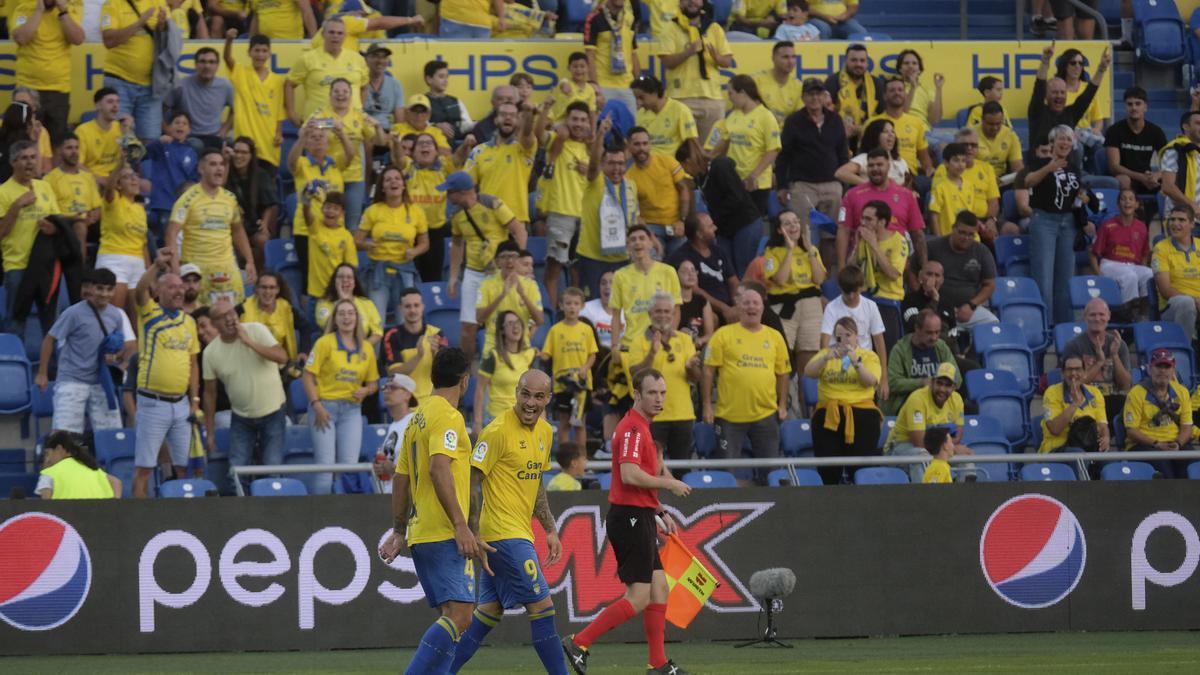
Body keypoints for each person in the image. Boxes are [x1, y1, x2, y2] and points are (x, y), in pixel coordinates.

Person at [562, 368, 692, 675]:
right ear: (637, 394)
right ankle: (578, 642)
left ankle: (657, 663)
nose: (658, 398)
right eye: (652, 393)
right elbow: (628, 474)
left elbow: (634, 483)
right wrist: (669, 484)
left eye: (662, 393)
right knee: (639, 596)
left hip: (639, 515)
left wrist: (658, 510)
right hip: (630, 518)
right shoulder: (633, 428)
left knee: (660, 589)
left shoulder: (642, 427)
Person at [449, 370, 566, 674]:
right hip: (502, 535)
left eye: (538, 396)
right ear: (516, 392)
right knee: (542, 608)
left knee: (488, 613)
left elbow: (536, 482)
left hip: (518, 532)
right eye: (525, 394)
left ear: (548, 399)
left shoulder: (546, 432)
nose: (530, 402)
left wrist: (550, 527)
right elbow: (472, 481)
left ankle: (441, 671)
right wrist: (472, 532)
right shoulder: (497, 430)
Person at [378, 348, 487, 674]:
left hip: (421, 531)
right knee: (462, 616)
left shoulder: (418, 418)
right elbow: (440, 469)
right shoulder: (448, 417)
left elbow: (401, 478)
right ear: (464, 382)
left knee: (449, 617)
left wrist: (399, 530)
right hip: (443, 532)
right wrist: (460, 525)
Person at [131, 250, 201, 498]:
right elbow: (139, 290)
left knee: (184, 466)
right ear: (159, 292)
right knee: (145, 468)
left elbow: (194, 365)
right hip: (153, 403)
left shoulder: (189, 322)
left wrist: (194, 401)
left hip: (181, 405)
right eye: (172, 287)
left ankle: (183, 518)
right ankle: (137, 519)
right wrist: (157, 266)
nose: (179, 291)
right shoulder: (149, 314)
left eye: (181, 287)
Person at [702, 285, 790, 477]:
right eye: (747, 302)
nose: (752, 307)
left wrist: (782, 405)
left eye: (756, 303)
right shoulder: (722, 335)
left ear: (762, 308)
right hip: (729, 417)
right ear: (739, 307)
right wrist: (707, 405)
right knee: (726, 472)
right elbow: (708, 372)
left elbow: (783, 373)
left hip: (765, 415)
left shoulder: (775, 337)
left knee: (771, 473)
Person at [34, 267, 134, 433]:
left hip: (101, 383)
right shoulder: (73, 313)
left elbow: (116, 346)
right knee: (64, 437)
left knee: (112, 434)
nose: (104, 294)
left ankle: (105, 459)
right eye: (100, 288)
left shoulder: (116, 315)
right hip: (71, 380)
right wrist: (42, 373)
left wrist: (114, 356)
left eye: (109, 289)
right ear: (91, 288)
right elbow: (50, 339)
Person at [202, 299, 288, 492]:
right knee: (237, 473)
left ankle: (271, 515)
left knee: (272, 471)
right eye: (223, 317)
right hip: (242, 418)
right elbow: (209, 394)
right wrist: (210, 434)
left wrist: (249, 342)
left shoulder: (256, 330)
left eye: (232, 313)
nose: (231, 319)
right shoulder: (210, 353)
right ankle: (242, 516)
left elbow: (282, 356)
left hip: (273, 412)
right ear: (214, 323)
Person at [443, 170, 526, 362]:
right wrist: (453, 277)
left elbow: (519, 230)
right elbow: (457, 244)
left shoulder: (492, 204)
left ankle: (506, 364)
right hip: (473, 272)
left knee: (501, 323)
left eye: (450, 192)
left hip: (498, 271)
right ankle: (466, 371)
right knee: (468, 328)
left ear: (462, 192)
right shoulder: (456, 214)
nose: (447, 196)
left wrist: (518, 264)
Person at [303, 297, 379, 494]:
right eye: (342, 313)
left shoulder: (367, 348)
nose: (347, 317)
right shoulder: (324, 343)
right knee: (325, 467)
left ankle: (344, 517)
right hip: (324, 408)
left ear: (357, 318)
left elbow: (374, 382)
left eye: (351, 313)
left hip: (352, 410)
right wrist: (316, 405)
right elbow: (307, 375)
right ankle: (318, 516)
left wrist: (367, 390)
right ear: (334, 319)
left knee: (349, 468)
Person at [166, 149, 256, 307]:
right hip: (198, 271)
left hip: (227, 268)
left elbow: (238, 230)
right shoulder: (188, 199)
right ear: (201, 169)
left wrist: (249, 260)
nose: (219, 168)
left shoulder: (230, 198)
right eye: (213, 164)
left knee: (234, 315)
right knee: (202, 320)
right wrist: (175, 267)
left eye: (222, 164)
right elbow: (171, 233)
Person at [776, 77, 847, 268]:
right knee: (800, 234)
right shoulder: (793, 121)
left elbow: (842, 153)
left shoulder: (835, 120)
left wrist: (844, 185)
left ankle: (824, 278)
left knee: (830, 235)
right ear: (803, 97)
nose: (815, 98)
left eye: (818, 93)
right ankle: (804, 273)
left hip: (832, 184)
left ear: (825, 96)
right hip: (803, 185)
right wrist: (782, 186)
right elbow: (784, 155)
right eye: (810, 94)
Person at [804, 315, 881, 485]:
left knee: (861, 469)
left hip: (861, 413)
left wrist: (856, 363)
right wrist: (825, 358)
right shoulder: (827, 354)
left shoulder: (868, 356)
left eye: (848, 335)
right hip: (829, 413)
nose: (844, 340)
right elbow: (808, 372)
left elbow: (871, 381)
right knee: (828, 469)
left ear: (857, 337)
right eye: (840, 336)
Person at [627, 292, 700, 462]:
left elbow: (695, 378)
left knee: (682, 468)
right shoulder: (637, 342)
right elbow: (635, 376)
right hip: (650, 417)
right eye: (658, 311)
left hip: (683, 415)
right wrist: (652, 353)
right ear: (650, 314)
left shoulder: (685, 340)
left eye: (667, 312)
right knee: (648, 466)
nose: (663, 315)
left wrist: (691, 368)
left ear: (673, 315)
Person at [0, 140, 62, 333]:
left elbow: (58, 222)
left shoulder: (45, 187)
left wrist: (52, 228)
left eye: (33, 157)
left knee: (50, 323)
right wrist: (17, 206)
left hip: (45, 264)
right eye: (24, 158)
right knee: (16, 321)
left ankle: (49, 364)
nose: (30, 162)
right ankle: (12, 362)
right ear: (13, 163)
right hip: (17, 265)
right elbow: (1, 232)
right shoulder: (3, 192)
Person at [1026, 124, 1085, 324]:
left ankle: (1065, 329)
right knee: (1043, 280)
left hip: (1068, 222)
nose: (1065, 143)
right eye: (1061, 138)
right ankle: (1044, 328)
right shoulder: (1038, 161)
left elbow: (1076, 195)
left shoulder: (1074, 167)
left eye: (1069, 139)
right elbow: (1028, 182)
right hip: (1044, 221)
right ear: (1052, 142)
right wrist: (1048, 168)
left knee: (1065, 280)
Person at [575, 118, 640, 299]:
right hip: (593, 258)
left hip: (623, 258)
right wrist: (601, 135)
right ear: (604, 165)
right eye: (611, 163)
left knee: (622, 306)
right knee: (593, 305)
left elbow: (634, 218)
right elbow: (594, 164)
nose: (617, 168)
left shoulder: (631, 186)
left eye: (621, 163)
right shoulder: (595, 181)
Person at [356, 166, 429, 322]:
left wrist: (415, 251)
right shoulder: (372, 211)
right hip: (378, 270)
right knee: (377, 322)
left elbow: (425, 243)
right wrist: (366, 244)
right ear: (382, 187)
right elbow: (357, 240)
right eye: (388, 180)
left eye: (397, 178)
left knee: (406, 321)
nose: (393, 182)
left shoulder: (416, 211)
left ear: (403, 185)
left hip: (405, 269)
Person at [837, 147, 926, 271]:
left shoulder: (906, 195)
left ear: (888, 165)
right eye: (871, 165)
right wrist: (842, 267)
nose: (875, 169)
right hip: (862, 262)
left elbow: (917, 234)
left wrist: (924, 267)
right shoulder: (852, 195)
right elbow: (843, 230)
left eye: (879, 164)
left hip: (897, 263)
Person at [656, 0, 733, 144]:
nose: (692, 2)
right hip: (681, 98)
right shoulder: (670, 28)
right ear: (680, 3)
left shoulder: (714, 28)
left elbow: (727, 61)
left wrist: (717, 58)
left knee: (711, 151)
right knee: (681, 152)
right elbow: (667, 62)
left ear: (702, 3)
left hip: (712, 99)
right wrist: (689, 52)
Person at [540, 101, 593, 310]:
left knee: (579, 270)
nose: (578, 124)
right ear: (566, 120)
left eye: (583, 120)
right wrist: (545, 110)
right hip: (561, 213)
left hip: (587, 217)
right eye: (574, 119)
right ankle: (553, 316)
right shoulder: (556, 140)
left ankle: (577, 317)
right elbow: (538, 133)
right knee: (554, 268)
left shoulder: (591, 147)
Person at [9, 0, 85, 145]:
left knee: (57, 143)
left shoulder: (68, 10)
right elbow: (21, 38)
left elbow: (78, 39)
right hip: (27, 90)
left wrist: (63, 12)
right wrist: (38, 12)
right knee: (24, 139)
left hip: (58, 89)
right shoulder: (25, 7)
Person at [706, 74, 781, 217]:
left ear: (743, 93)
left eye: (731, 93)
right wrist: (709, 157)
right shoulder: (734, 115)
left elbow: (773, 150)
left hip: (756, 184)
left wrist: (754, 175)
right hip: (735, 180)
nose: (729, 97)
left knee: (752, 224)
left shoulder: (766, 116)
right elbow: (725, 141)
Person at [311, 77, 379, 229]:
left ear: (351, 94)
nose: (340, 94)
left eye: (345, 91)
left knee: (352, 224)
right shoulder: (321, 113)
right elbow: (308, 127)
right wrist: (329, 123)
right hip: (328, 176)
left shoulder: (360, 115)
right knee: (328, 223)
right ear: (330, 94)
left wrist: (378, 126)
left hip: (354, 176)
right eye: (336, 91)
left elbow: (377, 139)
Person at [763, 209, 824, 374]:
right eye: (787, 223)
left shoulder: (811, 250)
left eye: (796, 221)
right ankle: (784, 398)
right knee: (781, 355)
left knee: (810, 359)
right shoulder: (771, 253)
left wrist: (810, 248)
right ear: (778, 229)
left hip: (811, 306)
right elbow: (781, 280)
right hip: (784, 308)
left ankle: (806, 400)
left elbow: (819, 279)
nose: (793, 226)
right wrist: (790, 250)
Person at [883, 362, 964, 483]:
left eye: (947, 385)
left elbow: (958, 434)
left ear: (954, 387)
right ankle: (924, 499)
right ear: (932, 382)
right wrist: (948, 449)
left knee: (966, 458)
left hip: (936, 448)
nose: (942, 389)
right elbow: (918, 441)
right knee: (921, 457)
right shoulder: (917, 399)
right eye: (939, 383)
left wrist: (951, 449)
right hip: (899, 448)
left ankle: (965, 499)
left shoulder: (956, 400)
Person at [99, 0, 167, 141]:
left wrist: (162, 28)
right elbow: (109, 41)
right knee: (118, 138)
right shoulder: (112, 4)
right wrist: (139, 23)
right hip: (119, 82)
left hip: (151, 85)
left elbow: (169, 39)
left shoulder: (158, 2)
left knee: (150, 141)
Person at [463, 100, 537, 228]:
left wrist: (529, 114)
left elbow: (527, 133)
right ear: (496, 120)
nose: (508, 117)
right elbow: (467, 185)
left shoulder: (523, 148)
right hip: (487, 221)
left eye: (513, 115)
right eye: (503, 114)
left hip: (516, 221)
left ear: (518, 121)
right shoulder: (479, 151)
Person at [540, 287, 599, 442]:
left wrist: (585, 369)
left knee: (580, 423)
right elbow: (546, 354)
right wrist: (537, 353)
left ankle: (581, 460)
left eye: (575, 303)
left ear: (582, 306)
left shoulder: (586, 329)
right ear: (561, 306)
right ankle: (564, 459)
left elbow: (592, 355)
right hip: (562, 384)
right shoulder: (555, 330)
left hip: (581, 385)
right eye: (568, 303)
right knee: (564, 423)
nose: (572, 307)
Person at [1123, 348, 1193, 479]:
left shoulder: (1182, 392)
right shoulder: (1136, 393)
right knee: (1164, 466)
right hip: (1145, 445)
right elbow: (1131, 431)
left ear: (1173, 370)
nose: (1162, 370)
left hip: (1174, 443)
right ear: (1150, 369)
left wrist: (1178, 443)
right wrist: (1157, 444)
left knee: (1191, 463)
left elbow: (1187, 427)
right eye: (1158, 366)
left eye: (1167, 367)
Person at [925, 211, 1000, 332]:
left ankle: (969, 351)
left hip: (969, 309)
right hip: (936, 307)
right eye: (962, 232)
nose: (966, 238)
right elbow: (913, 271)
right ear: (953, 228)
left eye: (971, 234)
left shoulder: (982, 251)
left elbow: (989, 285)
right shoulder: (934, 247)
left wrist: (971, 305)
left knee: (993, 326)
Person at [820, 265, 888, 399]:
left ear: (862, 287)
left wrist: (884, 377)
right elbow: (824, 342)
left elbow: (879, 343)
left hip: (865, 361)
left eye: (855, 292)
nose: (851, 297)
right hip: (839, 362)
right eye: (847, 293)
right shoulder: (831, 308)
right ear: (840, 289)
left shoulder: (870, 306)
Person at [285, 17, 369, 125]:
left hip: (352, 126)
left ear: (345, 36)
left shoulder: (358, 59)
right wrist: (291, 114)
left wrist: (359, 111)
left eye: (340, 33)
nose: (335, 36)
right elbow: (289, 84)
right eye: (331, 32)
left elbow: (364, 87)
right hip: (318, 126)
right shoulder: (307, 59)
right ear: (323, 34)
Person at [1027, 43, 1110, 152]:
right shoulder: (1038, 112)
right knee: (1078, 149)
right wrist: (1045, 61)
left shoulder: (1070, 114)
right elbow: (1038, 88)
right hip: (1042, 166)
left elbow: (1089, 94)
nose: (1059, 96)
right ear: (1046, 96)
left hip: (1067, 167)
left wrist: (1101, 69)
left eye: (1062, 93)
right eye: (1055, 92)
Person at [96, 157, 150, 317]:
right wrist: (121, 161)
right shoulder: (113, 202)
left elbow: (143, 244)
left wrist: (149, 274)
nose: (133, 179)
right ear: (119, 185)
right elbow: (109, 187)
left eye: (135, 176)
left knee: (138, 319)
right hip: (114, 260)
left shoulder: (140, 209)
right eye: (127, 177)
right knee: (112, 316)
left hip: (138, 264)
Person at [626, 127, 690, 258]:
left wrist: (682, 221)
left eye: (645, 143)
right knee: (652, 262)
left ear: (650, 145)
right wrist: (645, 229)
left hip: (676, 223)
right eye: (637, 144)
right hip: (651, 227)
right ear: (629, 147)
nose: (641, 148)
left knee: (680, 264)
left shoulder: (667, 161)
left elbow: (684, 189)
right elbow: (632, 208)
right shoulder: (628, 177)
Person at [853, 200, 908, 350]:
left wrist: (874, 246)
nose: (863, 223)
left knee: (886, 352)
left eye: (869, 219)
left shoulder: (898, 241)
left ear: (882, 222)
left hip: (887, 302)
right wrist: (858, 245)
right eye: (862, 218)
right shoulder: (864, 239)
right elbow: (850, 270)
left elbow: (892, 274)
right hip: (863, 300)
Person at [883, 308, 958, 416]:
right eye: (929, 333)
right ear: (917, 328)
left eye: (937, 332)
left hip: (938, 400)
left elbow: (957, 379)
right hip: (908, 402)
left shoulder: (941, 347)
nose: (934, 337)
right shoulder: (900, 349)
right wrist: (921, 383)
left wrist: (939, 385)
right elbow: (892, 383)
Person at [668, 212, 738, 324]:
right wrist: (725, 309)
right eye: (710, 226)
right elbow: (695, 290)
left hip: (729, 306)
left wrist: (736, 306)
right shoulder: (682, 257)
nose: (715, 228)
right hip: (701, 307)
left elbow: (733, 281)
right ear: (699, 234)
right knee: (712, 318)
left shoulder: (719, 251)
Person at [475, 310, 540, 431]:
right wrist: (477, 422)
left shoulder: (529, 355)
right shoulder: (493, 356)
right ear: (502, 330)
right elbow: (480, 389)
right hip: (497, 419)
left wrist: (541, 419)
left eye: (518, 323)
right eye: (510, 323)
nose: (515, 327)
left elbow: (537, 391)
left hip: (522, 418)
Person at [1091, 189, 1151, 312]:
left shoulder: (1142, 227)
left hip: (1132, 265)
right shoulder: (1107, 225)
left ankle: (1144, 312)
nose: (1127, 202)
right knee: (1130, 277)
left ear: (1136, 204)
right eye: (1123, 199)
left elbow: (1145, 253)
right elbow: (1093, 253)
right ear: (1118, 204)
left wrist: (1142, 268)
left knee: (1148, 274)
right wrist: (1099, 275)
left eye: (1131, 199)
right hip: (1110, 264)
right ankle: (1126, 314)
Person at [143, 112, 198, 248]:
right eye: (177, 122)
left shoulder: (192, 153)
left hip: (181, 205)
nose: (180, 126)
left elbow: (194, 180)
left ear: (189, 130)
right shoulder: (161, 146)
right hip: (162, 203)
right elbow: (141, 154)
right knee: (166, 236)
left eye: (184, 123)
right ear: (169, 127)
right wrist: (157, 142)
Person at [45, 133, 102, 261]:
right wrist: (75, 218)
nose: (74, 152)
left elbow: (97, 207)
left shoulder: (87, 177)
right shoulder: (50, 179)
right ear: (59, 151)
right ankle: (80, 273)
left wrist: (93, 217)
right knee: (79, 226)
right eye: (69, 148)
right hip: (65, 223)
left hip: (89, 223)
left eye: (76, 148)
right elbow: (50, 212)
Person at [225, 137, 279, 272]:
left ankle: (259, 275)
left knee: (263, 241)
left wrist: (265, 224)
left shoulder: (261, 175)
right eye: (236, 152)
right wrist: (225, 161)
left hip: (253, 224)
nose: (239, 156)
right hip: (231, 226)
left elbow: (270, 204)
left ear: (251, 155)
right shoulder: (226, 173)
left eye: (243, 153)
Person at [163, 47, 234, 150]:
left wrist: (224, 130)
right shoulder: (181, 85)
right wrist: (169, 131)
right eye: (202, 62)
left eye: (212, 62)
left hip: (214, 137)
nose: (207, 66)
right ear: (195, 65)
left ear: (217, 66)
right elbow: (162, 108)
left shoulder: (225, 86)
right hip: (188, 138)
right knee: (196, 145)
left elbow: (235, 110)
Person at [865, 78, 933, 182]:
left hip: (911, 177)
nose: (897, 93)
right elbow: (865, 153)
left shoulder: (916, 123)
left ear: (905, 95)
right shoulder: (872, 123)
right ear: (884, 96)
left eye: (900, 90)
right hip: (882, 176)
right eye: (892, 90)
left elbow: (924, 156)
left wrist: (930, 172)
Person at [1040, 355, 1109, 455]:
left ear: (1085, 373)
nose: (1073, 373)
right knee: (1078, 455)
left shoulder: (1095, 393)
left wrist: (1106, 437)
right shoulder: (1051, 393)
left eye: (1078, 369)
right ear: (1063, 373)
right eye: (1069, 370)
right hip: (1057, 449)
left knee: (1110, 460)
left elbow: (1102, 425)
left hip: (1088, 446)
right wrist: (1075, 404)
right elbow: (1054, 429)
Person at [407, 134, 453, 283]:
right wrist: (395, 142)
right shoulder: (408, 167)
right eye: (420, 144)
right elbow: (396, 156)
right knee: (409, 278)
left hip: (435, 232)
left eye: (429, 143)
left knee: (432, 278)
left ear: (436, 151)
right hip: (410, 232)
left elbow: (459, 159)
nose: (425, 146)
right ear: (413, 152)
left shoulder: (444, 168)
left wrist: (465, 145)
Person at [382, 288, 442, 402]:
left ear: (423, 307)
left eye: (416, 305)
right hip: (406, 404)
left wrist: (436, 354)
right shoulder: (392, 335)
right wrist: (419, 356)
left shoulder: (436, 333)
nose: (413, 310)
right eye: (408, 306)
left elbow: (445, 373)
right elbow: (394, 374)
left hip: (432, 401)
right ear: (400, 309)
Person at [583, 0, 641, 118]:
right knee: (604, 131)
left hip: (627, 86)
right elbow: (590, 55)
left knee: (631, 132)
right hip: (604, 86)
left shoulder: (629, 18)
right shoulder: (594, 18)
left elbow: (633, 53)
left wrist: (639, 87)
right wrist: (595, 87)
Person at [1104, 87, 1167, 194]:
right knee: (1124, 180)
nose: (1134, 108)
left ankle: (1169, 210)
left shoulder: (1156, 131)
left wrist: (1157, 175)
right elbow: (1114, 167)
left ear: (1145, 107)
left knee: (1170, 179)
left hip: (1147, 177)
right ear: (1125, 107)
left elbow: (1169, 162)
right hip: (1125, 176)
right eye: (1130, 104)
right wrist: (1141, 177)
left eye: (1138, 104)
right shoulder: (1114, 130)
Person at [1152, 203, 1200, 342]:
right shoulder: (1161, 249)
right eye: (1172, 219)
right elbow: (1165, 290)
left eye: (1181, 220)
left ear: (1192, 224)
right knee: (1186, 303)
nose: (1175, 223)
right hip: (1173, 306)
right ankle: (1183, 351)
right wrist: (1195, 300)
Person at [824, 43, 882, 146]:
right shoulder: (832, 82)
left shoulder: (876, 84)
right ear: (846, 61)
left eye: (862, 61)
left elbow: (882, 114)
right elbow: (825, 114)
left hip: (870, 138)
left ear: (867, 63)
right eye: (854, 60)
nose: (858, 64)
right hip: (840, 137)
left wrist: (863, 129)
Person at [36, 431, 121, 499]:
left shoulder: (49, 473)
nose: (47, 460)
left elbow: (46, 508)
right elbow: (116, 482)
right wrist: (114, 505)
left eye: (48, 454)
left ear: (59, 448)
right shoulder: (92, 468)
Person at [314, 262, 383, 346]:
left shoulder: (366, 303)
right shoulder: (324, 303)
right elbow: (327, 327)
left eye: (349, 277)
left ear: (355, 282)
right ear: (334, 281)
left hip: (361, 349)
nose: (345, 280)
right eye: (340, 277)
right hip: (332, 350)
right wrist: (343, 301)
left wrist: (363, 349)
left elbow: (377, 332)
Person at [371, 373, 419, 493]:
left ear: (407, 394)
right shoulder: (393, 425)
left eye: (392, 387)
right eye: (384, 388)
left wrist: (393, 469)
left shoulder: (414, 423)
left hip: (407, 496)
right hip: (390, 494)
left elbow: (420, 465)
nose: (386, 391)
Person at [632, 74, 699, 156]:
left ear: (655, 93)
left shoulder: (680, 110)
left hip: (671, 165)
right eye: (636, 98)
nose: (638, 103)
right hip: (646, 164)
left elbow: (692, 142)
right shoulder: (640, 114)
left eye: (641, 98)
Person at [239, 271, 297, 361]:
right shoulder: (243, 307)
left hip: (278, 362)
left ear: (277, 290)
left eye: (272, 287)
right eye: (263, 287)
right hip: (250, 360)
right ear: (256, 289)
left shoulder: (286, 308)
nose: (267, 291)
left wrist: (304, 352)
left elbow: (305, 327)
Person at [834, 118, 910, 187]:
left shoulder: (901, 161)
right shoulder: (865, 158)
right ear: (875, 135)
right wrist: (870, 185)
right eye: (885, 132)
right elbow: (841, 173)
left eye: (893, 132)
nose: (891, 135)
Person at [75, 88, 123, 181]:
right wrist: (97, 179)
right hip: (91, 178)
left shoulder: (121, 128)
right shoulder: (83, 131)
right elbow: (77, 164)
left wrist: (128, 131)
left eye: (117, 102)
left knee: (146, 185)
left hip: (116, 177)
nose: (115, 105)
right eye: (110, 102)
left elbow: (131, 158)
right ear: (98, 106)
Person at [1056, 48, 1105, 139]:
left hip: (1087, 131)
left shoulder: (1088, 89)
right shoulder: (1058, 89)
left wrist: (1096, 130)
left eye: (1081, 63)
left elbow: (1098, 119)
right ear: (1065, 65)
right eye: (1073, 63)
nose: (1077, 66)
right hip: (1065, 132)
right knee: (1078, 149)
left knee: (1101, 144)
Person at [1160, 111, 1200, 217]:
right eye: (1198, 123)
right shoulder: (1175, 151)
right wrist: (1191, 205)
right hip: (1181, 219)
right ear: (1186, 127)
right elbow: (1167, 186)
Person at [753, 41, 804, 125]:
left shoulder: (798, 86)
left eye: (793, 57)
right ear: (773, 59)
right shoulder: (757, 80)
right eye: (785, 57)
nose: (790, 61)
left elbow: (799, 116)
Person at [424, 60, 473, 142]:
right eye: (441, 77)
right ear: (429, 79)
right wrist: (436, 126)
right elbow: (416, 125)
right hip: (433, 146)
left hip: (459, 145)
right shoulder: (421, 102)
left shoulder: (456, 101)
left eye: (447, 77)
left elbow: (467, 125)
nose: (446, 80)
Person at [362, 43, 404, 140]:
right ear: (366, 59)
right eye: (375, 56)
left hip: (387, 130)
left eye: (384, 57)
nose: (380, 61)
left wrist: (395, 135)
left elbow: (399, 120)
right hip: (366, 129)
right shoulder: (359, 83)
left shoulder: (395, 84)